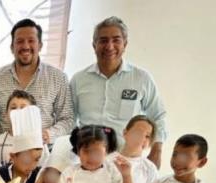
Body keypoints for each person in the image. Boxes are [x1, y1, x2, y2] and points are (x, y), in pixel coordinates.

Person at [72, 17, 167, 167]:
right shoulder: (79, 79)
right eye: (103, 40)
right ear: (94, 45)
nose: (109, 46)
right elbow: (70, 119)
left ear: (125, 44)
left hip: (126, 161)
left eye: (116, 40)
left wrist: (157, 150)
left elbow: (158, 116)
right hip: (86, 159)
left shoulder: (141, 78)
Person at [0, 19, 73, 146]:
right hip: (4, 153)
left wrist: (48, 135)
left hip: (43, 154)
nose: (26, 46)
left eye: (31, 41)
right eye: (20, 41)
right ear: (12, 47)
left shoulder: (58, 77)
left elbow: (68, 119)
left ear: (40, 45)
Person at [0, 90, 36, 166]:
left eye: (23, 108)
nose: (17, 111)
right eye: (13, 108)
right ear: (6, 114)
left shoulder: (37, 142)